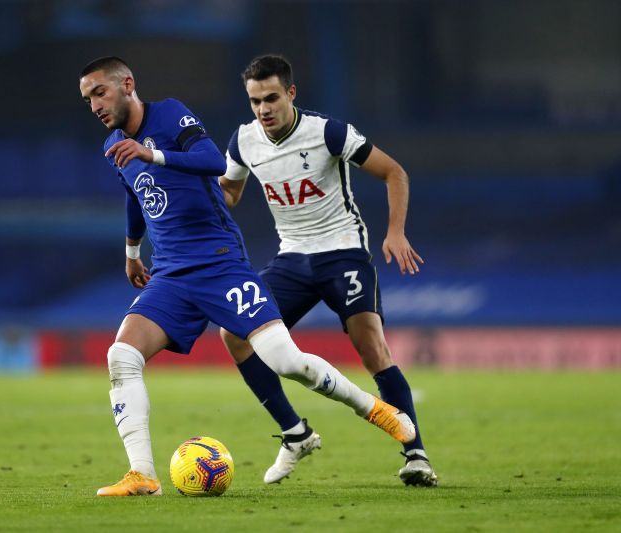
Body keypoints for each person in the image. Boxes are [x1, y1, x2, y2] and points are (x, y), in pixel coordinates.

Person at [79, 56, 416, 497]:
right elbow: (134, 194)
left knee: (284, 360)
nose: (94, 105)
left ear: (127, 85)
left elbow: (210, 162)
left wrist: (153, 153)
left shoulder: (169, 114)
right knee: (121, 356)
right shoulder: (114, 146)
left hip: (219, 262)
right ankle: (143, 474)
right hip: (170, 273)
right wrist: (130, 252)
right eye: (87, 99)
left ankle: (372, 408)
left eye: (99, 92)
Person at [219, 54, 438, 487]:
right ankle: (294, 432)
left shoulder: (327, 132)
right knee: (234, 334)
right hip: (291, 259)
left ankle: (417, 455)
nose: (263, 109)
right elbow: (230, 192)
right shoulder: (243, 142)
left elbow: (394, 172)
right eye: (255, 101)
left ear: (291, 94)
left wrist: (395, 232)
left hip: (342, 253)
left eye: (271, 98)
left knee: (371, 345)